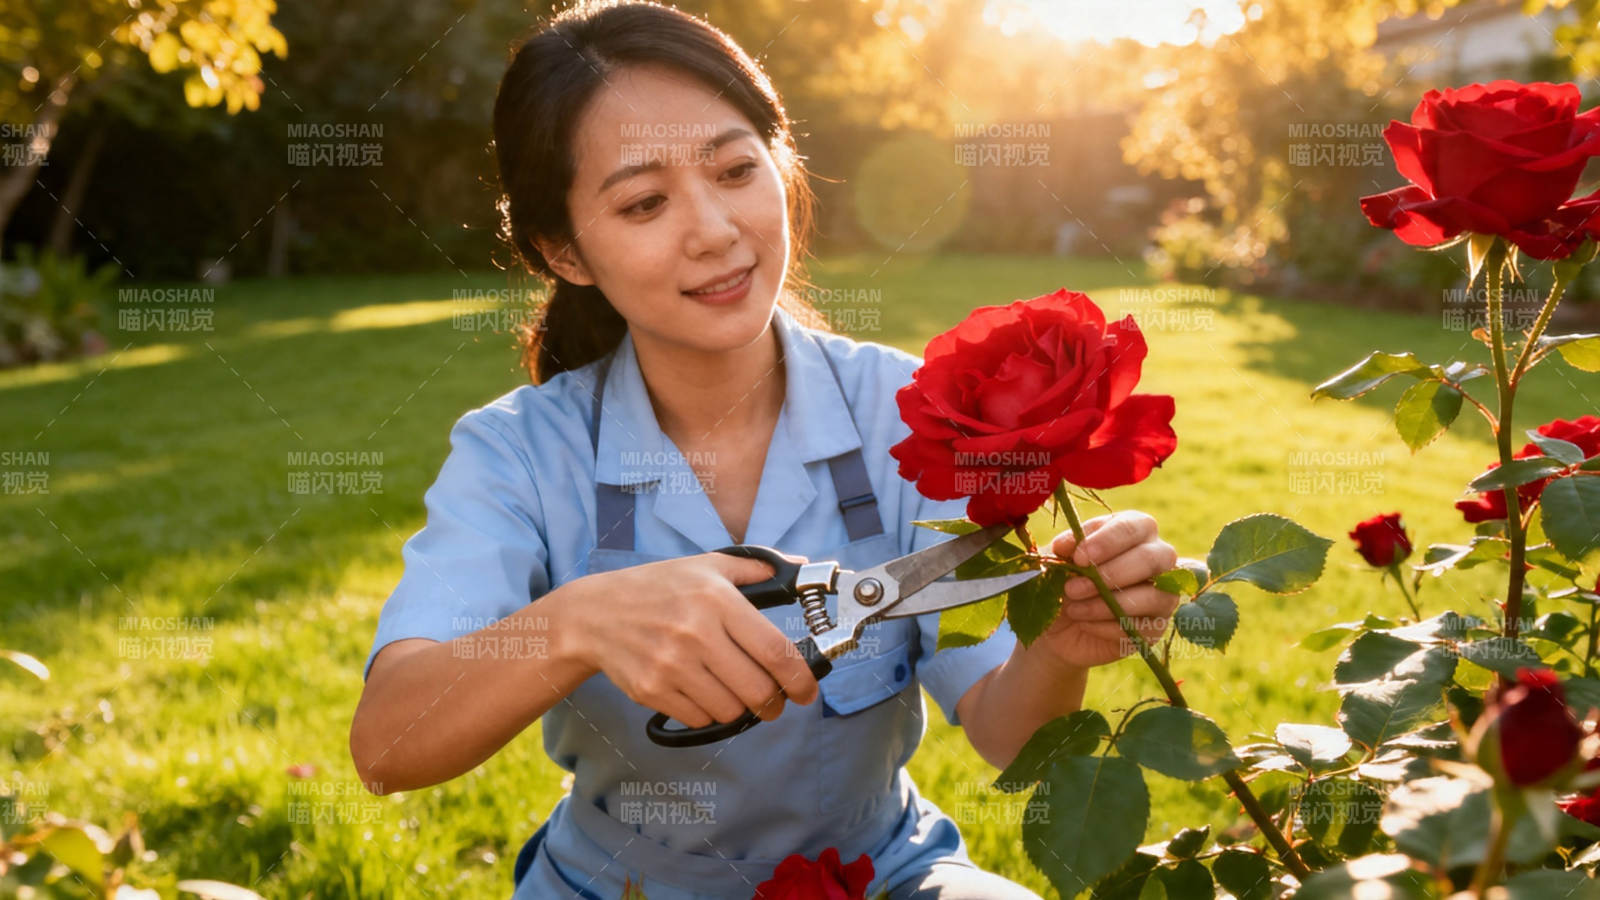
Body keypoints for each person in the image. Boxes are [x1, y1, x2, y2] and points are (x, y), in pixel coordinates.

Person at [348, 2, 1181, 897]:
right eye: (643, 202)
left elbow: (1007, 735)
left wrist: (1058, 646)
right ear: (565, 251)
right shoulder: (514, 455)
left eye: (737, 169)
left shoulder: (911, 413)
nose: (713, 228)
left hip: (887, 876)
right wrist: (578, 622)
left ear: (782, 168)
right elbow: (390, 745)